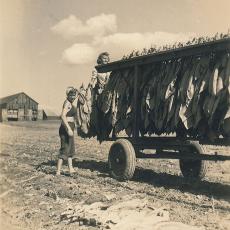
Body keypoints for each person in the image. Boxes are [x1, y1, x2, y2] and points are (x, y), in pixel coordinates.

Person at [56, 86, 79, 176]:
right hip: (66, 128)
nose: (73, 97)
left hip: (70, 126)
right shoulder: (67, 104)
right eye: (71, 95)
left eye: (74, 95)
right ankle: (58, 171)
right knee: (65, 148)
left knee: (70, 149)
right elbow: (63, 116)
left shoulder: (70, 103)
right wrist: (68, 128)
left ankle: (71, 169)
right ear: (67, 95)